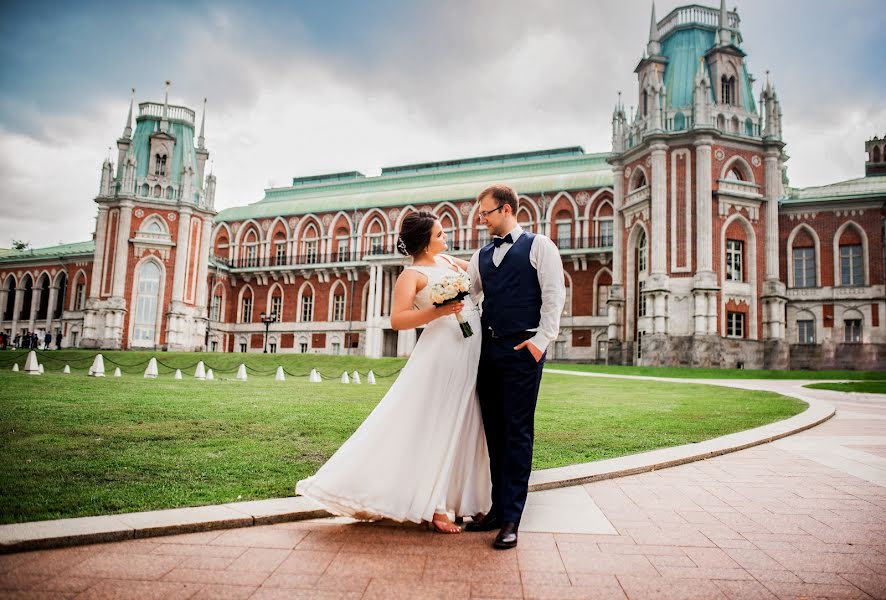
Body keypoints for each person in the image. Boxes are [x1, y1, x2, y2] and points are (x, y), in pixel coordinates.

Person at [296, 211, 490, 533]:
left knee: (466, 419)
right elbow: (398, 320)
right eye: (440, 235)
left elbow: (484, 276)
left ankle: (468, 499)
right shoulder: (410, 275)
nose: (445, 239)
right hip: (441, 350)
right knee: (437, 420)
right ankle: (435, 506)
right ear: (426, 243)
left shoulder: (453, 264)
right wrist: (438, 310)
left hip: (470, 347)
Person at [465, 184, 566, 549]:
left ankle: (512, 518)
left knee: (517, 433)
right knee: (493, 432)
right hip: (487, 353)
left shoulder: (540, 246)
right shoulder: (480, 256)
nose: (481, 218)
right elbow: (468, 296)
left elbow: (555, 296)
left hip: (523, 350)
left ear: (506, 210)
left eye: (486, 212)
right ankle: (496, 508)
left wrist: (539, 344)